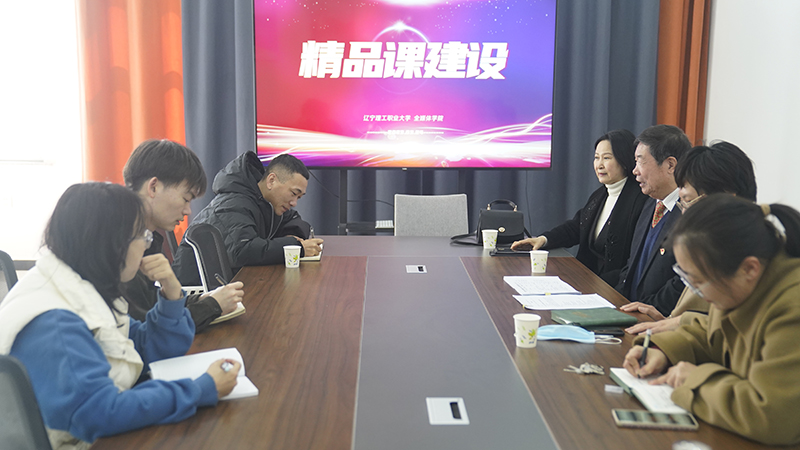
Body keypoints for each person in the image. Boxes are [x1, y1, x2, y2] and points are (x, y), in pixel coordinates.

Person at [0, 183, 240, 450]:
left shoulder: (82, 283)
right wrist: (200, 389)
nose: (146, 247)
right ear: (113, 243)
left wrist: (172, 294)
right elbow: (101, 412)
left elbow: (144, 346)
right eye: (142, 237)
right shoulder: (55, 321)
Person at [623, 194, 800, 445]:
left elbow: (772, 416)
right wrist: (662, 351)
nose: (696, 292)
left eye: (698, 282)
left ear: (749, 269)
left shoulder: (792, 308)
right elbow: (713, 334)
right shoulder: (741, 285)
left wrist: (692, 378)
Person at [623, 141, 757, 334]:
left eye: (687, 201)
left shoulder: (749, 257)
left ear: (727, 198)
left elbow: (732, 332)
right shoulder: (712, 249)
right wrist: (664, 322)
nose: (684, 215)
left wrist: (673, 327)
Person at [121, 139, 244, 332]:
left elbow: (148, 300)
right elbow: (148, 326)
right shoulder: (120, 243)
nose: (188, 211)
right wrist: (212, 306)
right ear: (153, 187)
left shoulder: (144, 235)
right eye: (186, 199)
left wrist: (199, 300)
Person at [510, 130, 647, 286]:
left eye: (607, 158)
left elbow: (635, 262)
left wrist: (595, 284)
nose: (599, 165)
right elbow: (576, 227)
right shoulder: (600, 194)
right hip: (585, 279)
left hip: (611, 287)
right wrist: (543, 239)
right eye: (596, 158)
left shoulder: (640, 200)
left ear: (624, 160)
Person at [173, 151, 323, 285]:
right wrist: (296, 248)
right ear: (271, 181)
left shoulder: (267, 202)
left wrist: (291, 237)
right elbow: (242, 251)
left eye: (299, 197)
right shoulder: (234, 203)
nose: (294, 203)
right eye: (293, 193)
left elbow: (294, 220)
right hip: (196, 292)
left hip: (227, 284)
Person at [614, 124, 692, 317]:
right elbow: (631, 265)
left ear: (670, 165)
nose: (634, 171)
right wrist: (616, 302)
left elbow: (683, 280)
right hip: (629, 313)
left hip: (657, 320)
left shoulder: (690, 213)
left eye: (640, 162)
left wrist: (643, 311)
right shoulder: (650, 203)